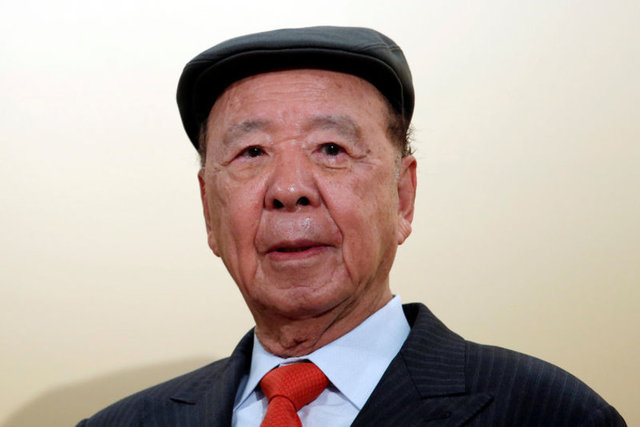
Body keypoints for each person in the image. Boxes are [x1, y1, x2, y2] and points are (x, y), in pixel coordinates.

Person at [78, 26, 625, 426]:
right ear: (209, 211)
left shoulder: (552, 415)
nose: (289, 188)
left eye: (332, 148)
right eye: (252, 152)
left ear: (403, 196)